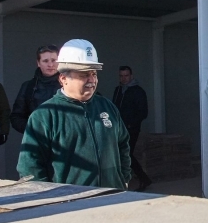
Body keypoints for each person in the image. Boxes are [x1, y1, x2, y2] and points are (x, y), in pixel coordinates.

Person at [17, 39, 131, 189]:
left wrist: (124, 178)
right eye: (84, 75)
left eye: (94, 74)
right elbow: (30, 167)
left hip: (113, 196)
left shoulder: (107, 107)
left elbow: (123, 144)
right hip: (72, 204)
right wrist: (49, 198)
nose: (92, 80)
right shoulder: (45, 115)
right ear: (63, 78)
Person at [112, 66, 152, 191]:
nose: (124, 78)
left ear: (131, 76)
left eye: (126, 75)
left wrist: (130, 124)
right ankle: (124, 180)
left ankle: (143, 179)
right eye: (121, 76)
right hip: (118, 129)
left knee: (127, 154)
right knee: (119, 154)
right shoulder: (118, 90)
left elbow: (143, 112)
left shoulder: (138, 91)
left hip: (131, 129)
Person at [10, 45, 61, 134]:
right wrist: (34, 130)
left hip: (64, 142)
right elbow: (16, 117)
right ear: (38, 63)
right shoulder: (28, 86)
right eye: (45, 61)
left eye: (54, 60)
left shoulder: (70, 85)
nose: (50, 64)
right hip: (37, 142)